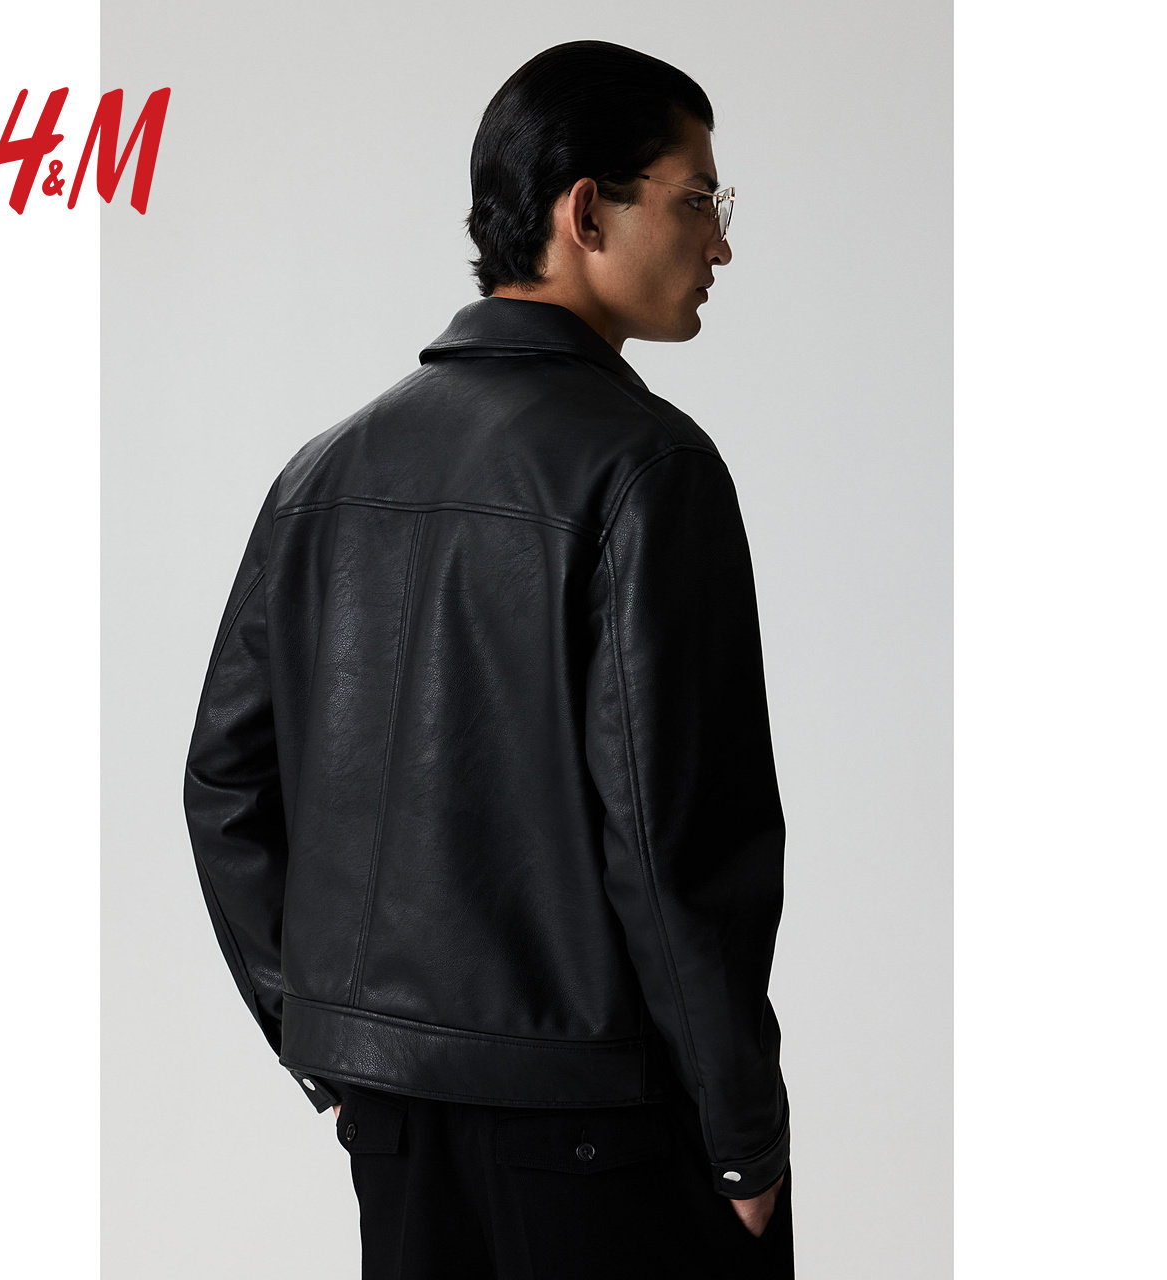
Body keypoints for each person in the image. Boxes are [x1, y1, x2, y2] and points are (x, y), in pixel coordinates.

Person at [184, 39, 794, 1279]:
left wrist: (330, 1042)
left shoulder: (324, 472)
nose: (720, 244)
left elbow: (226, 784)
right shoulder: (648, 469)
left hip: (399, 1128)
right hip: (609, 1136)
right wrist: (741, 1134)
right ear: (585, 212)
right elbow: (673, 842)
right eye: (696, 199)